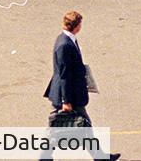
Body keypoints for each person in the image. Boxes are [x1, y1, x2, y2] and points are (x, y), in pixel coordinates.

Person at [41, 11, 112, 160]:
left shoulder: (67, 39)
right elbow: (64, 74)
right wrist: (66, 101)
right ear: (77, 26)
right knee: (62, 127)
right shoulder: (65, 45)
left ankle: (99, 157)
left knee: (79, 126)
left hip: (70, 93)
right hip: (68, 95)